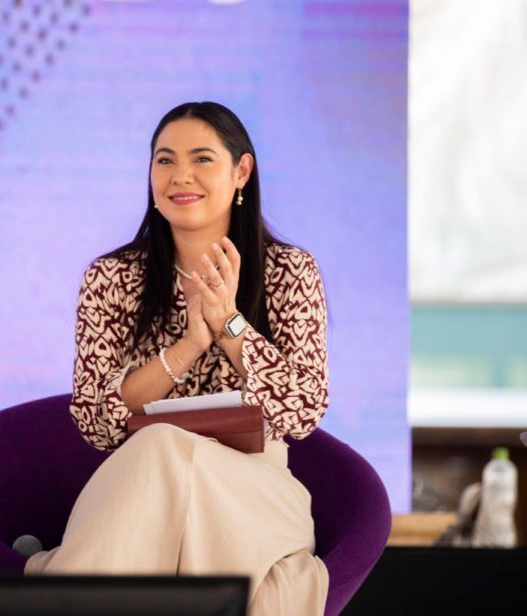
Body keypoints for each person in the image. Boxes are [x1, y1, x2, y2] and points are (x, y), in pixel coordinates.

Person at [25, 101, 330, 615]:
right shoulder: (112, 279)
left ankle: (62, 579)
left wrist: (229, 323)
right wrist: (186, 347)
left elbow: (302, 409)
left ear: (242, 172)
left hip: (250, 492)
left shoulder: (289, 271)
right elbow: (97, 424)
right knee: (162, 450)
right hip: (141, 487)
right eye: (164, 161)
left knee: (164, 445)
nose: (179, 176)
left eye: (201, 159)